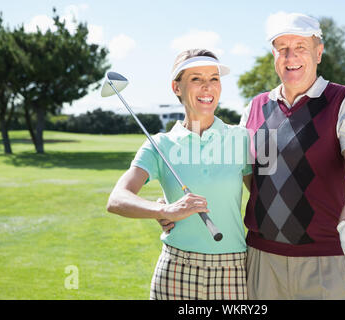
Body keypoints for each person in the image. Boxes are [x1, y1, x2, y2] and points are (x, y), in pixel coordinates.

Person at [239, 12, 345, 300]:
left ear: (319, 52)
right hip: (262, 258)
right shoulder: (254, 107)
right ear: (274, 55)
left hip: (325, 258)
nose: (291, 57)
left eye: (301, 47)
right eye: (282, 48)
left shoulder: (344, 101)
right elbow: (248, 176)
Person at [107, 49, 252, 300]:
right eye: (196, 79)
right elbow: (117, 199)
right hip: (176, 269)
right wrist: (163, 210)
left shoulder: (240, 138)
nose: (207, 87)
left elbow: (264, 199)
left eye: (214, 78)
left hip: (233, 268)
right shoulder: (160, 144)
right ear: (177, 87)